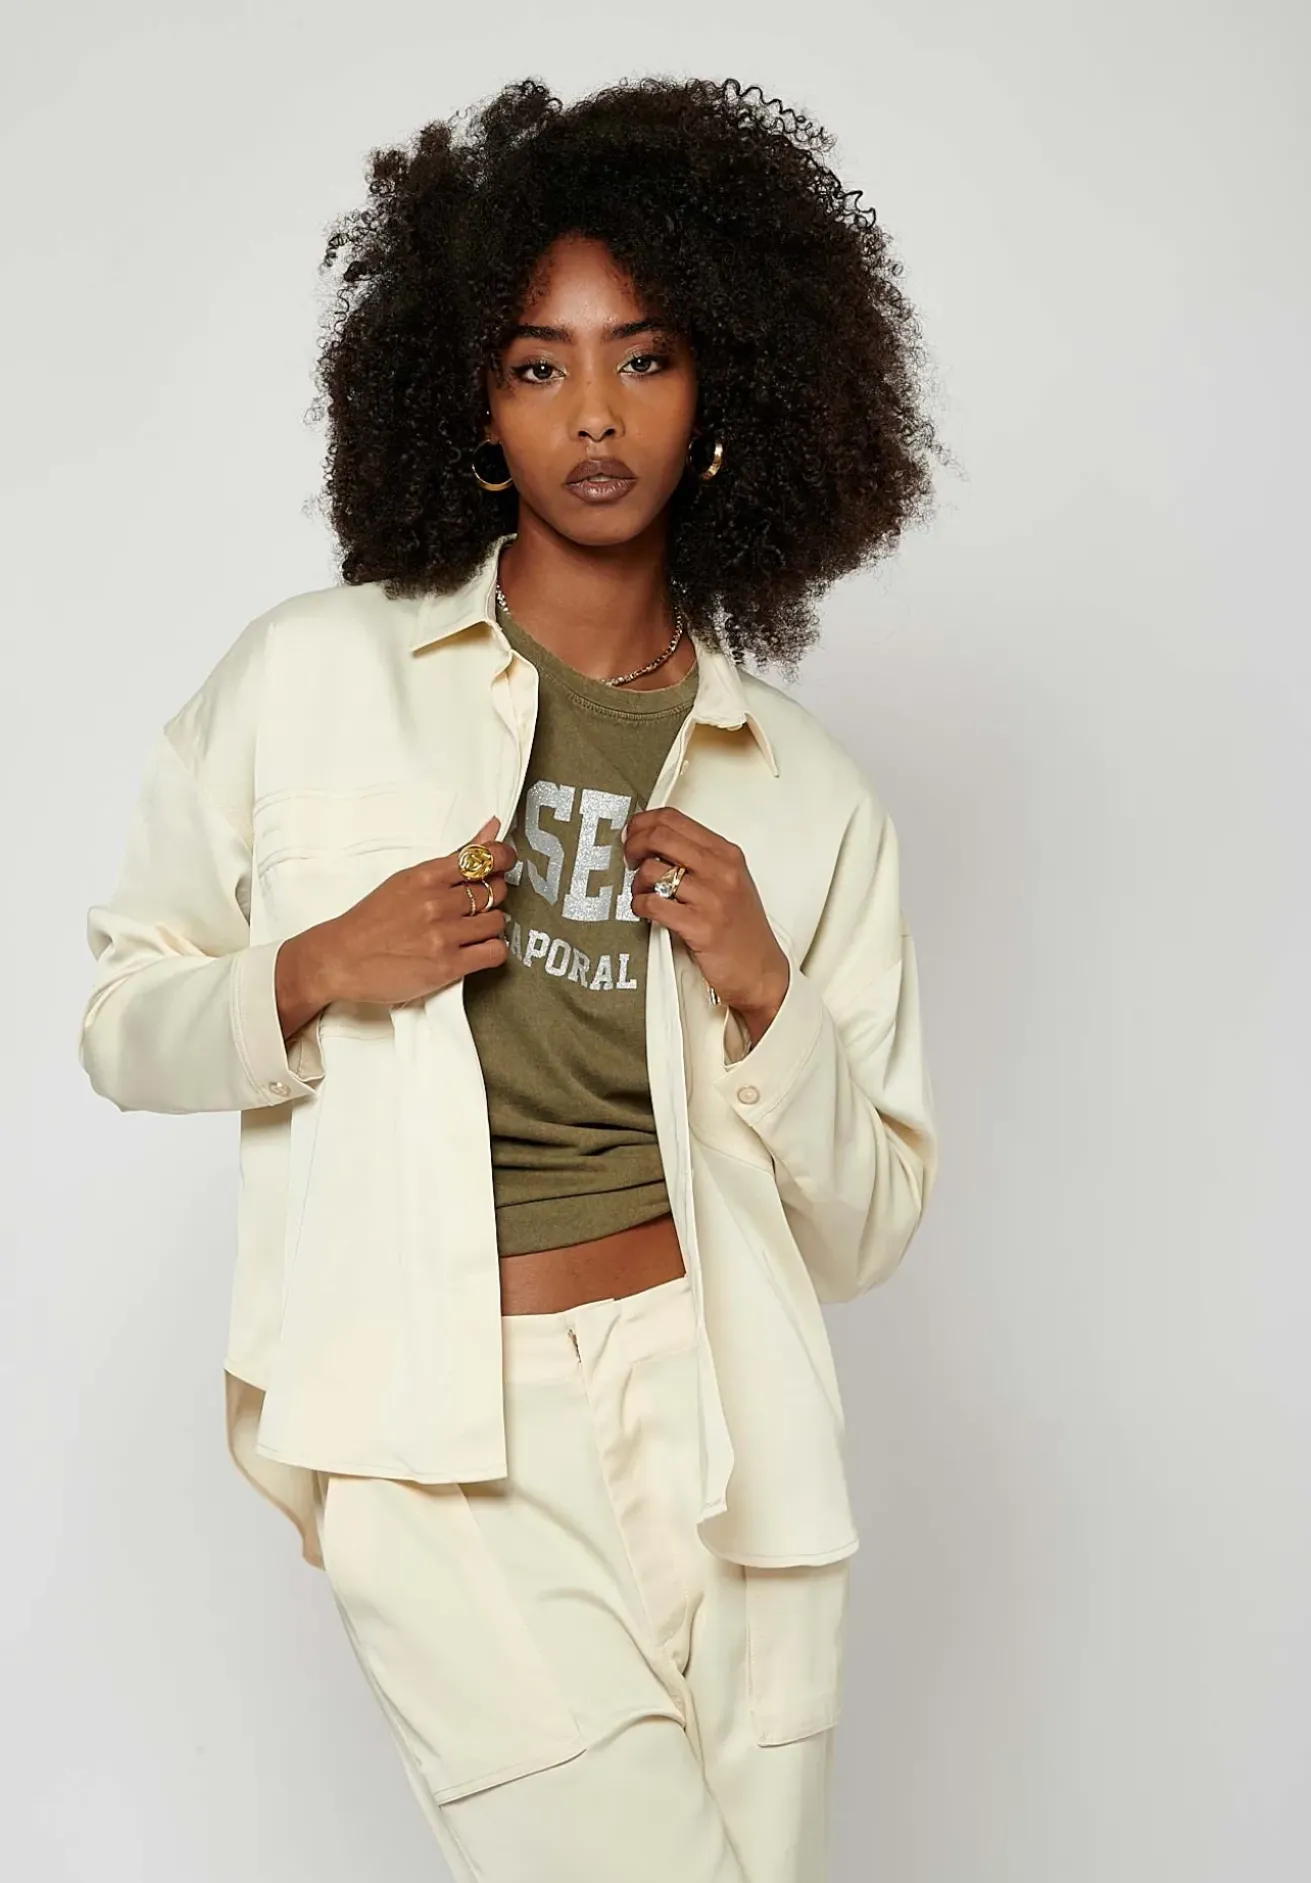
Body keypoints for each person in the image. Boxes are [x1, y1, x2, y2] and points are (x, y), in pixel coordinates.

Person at [78, 74, 943, 1883]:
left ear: (726, 395)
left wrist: (766, 991)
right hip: (438, 1425)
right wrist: (317, 965)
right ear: (470, 398)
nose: (594, 414)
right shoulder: (314, 677)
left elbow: (866, 1225)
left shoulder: (809, 796)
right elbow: (120, 1018)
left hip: (734, 1433)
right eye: (539, 365)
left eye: (645, 358)